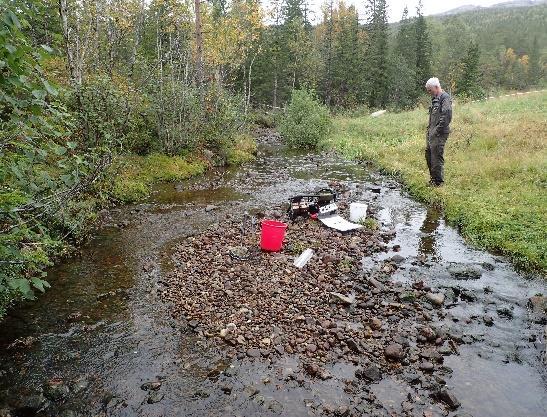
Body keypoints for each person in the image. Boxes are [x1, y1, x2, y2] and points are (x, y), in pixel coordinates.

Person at [425, 77, 452, 186]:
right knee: (429, 155)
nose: (429, 93)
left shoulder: (445, 98)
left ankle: (438, 183)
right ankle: (433, 179)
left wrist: (437, 130)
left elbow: (447, 115)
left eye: (430, 90)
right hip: (431, 133)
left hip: (439, 133)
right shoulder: (435, 98)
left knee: (437, 157)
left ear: (436, 87)